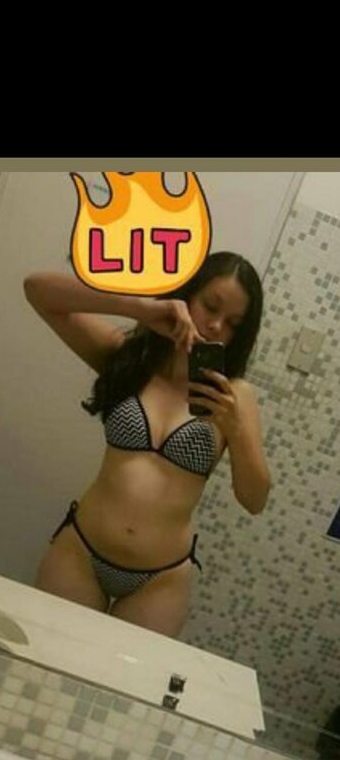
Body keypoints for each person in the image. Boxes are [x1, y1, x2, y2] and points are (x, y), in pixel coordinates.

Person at [23, 252, 271, 639]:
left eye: (233, 324)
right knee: (44, 658)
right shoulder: (128, 358)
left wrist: (236, 431)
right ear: (187, 296)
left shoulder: (235, 396)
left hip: (160, 579)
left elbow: (255, 500)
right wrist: (140, 308)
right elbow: (37, 291)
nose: (216, 326)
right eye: (210, 306)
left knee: (120, 679)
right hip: (81, 552)